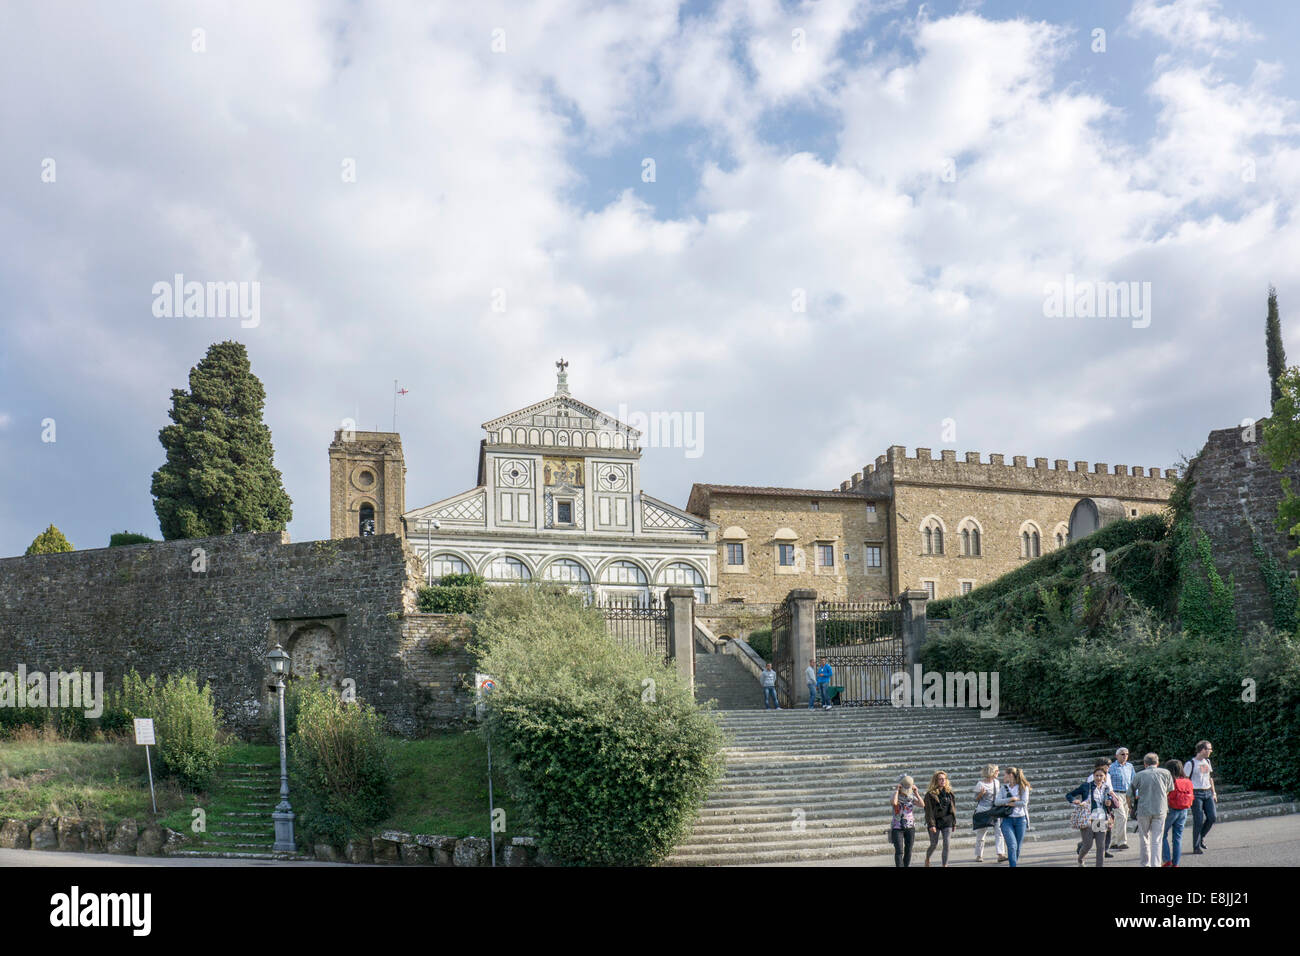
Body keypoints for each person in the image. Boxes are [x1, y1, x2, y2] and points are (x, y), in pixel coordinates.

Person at [1066, 763, 1118, 867]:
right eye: (1097, 775)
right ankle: (1080, 859)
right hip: (1088, 818)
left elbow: (1110, 800)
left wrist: (1109, 802)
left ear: (1105, 777)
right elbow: (1069, 794)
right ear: (1093, 776)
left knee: (1101, 847)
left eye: (1101, 776)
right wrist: (1074, 800)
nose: (1099, 778)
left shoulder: (1106, 788)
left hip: (1101, 819)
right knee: (1088, 845)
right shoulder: (1086, 786)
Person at [1130, 753, 1174, 867]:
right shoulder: (1166, 773)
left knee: (1144, 838)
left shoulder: (1139, 775)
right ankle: (1156, 864)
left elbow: (1129, 794)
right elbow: (1169, 790)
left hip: (1143, 809)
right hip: (1160, 809)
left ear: (1145, 764)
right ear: (1157, 762)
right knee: (1157, 838)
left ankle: (1145, 864)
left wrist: (1130, 807)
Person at [1184, 741, 1217, 854]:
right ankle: (1196, 846)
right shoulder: (1190, 764)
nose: (1210, 751)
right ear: (1202, 750)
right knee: (1198, 820)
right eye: (1209, 749)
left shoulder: (1207, 761)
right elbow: (1185, 780)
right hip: (1196, 793)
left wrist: (1214, 792)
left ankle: (1201, 837)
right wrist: (1188, 795)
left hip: (1207, 792)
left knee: (1212, 817)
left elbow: (1209, 777)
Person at [995, 766, 1031, 867]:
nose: (1003, 776)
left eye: (1005, 774)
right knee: (1012, 845)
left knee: (1018, 847)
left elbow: (1024, 802)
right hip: (1007, 820)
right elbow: (997, 802)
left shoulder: (1023, 787)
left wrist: (1012, 803)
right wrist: (1010, 800)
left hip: (1021, 819)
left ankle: (1013, 862)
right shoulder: (1003, 788)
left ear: (1010, 775)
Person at [1162, 759, 1194, 867]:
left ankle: (1167, 859)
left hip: (1171, 809)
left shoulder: (1170, 780)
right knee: (1177, 838)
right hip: (1184, 809)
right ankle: (1176, 863)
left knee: (1162, 834)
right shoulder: (1187, 781)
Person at [973, 764, 1007, 863]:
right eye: (997, 771)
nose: (998, 772)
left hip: (995, 810)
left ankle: (1000, 854)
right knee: (981, 834)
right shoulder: (980, 784)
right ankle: (979, 855)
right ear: (991, 772)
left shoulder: (997, 782)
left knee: (999, 833)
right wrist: (981, 794)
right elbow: (975, 799)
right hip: (983, 811)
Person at [924, 770, 957, 867]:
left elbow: (953, 808)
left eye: (944, 779)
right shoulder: (930, 794)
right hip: (935, 822)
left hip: (948, 821)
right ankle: (927, 858)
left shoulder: (949, 793)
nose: (943, 781)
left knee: (947, 843)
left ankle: (944, 865)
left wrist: (954, 822)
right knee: (934, 844)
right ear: (936, 781)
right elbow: (928, 811)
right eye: (940, 779)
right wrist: (931, 824)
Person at [890, 775, 924, 867]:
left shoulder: (911, 797)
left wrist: (916, 793)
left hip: (910, 827)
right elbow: (894, 803)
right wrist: (897, 791)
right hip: (897, 827)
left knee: (908, 850)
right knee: (899, 851)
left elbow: (922, 804)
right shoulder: (895, 795)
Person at [1108, 747, 1135, 850]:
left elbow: (1133, 780)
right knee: (1122, 816)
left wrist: (1135, 794)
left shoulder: (1130, 766)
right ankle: (1122, 842)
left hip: (1127, 794)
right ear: (1117, 756)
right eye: (1122, 754)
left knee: (1121, 818)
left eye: (1127, 754)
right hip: (1116, 794)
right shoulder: (1111, 767)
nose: (1125, 756)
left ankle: (1113, 841)